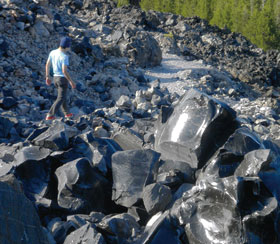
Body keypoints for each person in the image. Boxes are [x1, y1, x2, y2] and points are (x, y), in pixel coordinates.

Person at [45, 36, 76, 120]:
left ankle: (67, 113)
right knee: (61, 98)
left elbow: (47, 64)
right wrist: (71, 81)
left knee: (62, 96)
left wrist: (47, 76)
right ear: (67, 46)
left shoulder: (53, 52)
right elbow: (64, 71)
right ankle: (50, 114)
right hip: (62, 79)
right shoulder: (64, 56)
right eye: (69, 46)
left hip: (55, 78)